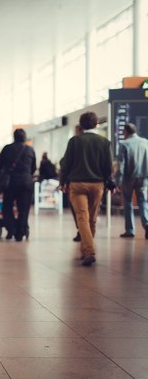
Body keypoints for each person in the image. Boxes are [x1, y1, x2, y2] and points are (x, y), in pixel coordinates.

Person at [59, 112, 113, 266]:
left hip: (77, 184)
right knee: (92, 218)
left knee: (82, 217)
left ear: (81, 125)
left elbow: (66, 164)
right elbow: (108, 166)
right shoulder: (104, 142)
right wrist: (108, 181)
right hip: (97, 185)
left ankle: (88, 250)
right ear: (96, 124)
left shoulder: (74, 141)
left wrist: (63, 182)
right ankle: (87, 250)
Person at [0, 129, 36, 242]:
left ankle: (11, 229)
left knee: (7, 207)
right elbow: (33, 168)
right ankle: (20, 233)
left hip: (11, 183)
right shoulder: (30, 149)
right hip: (26, 183)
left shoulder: (7, 148)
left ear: (14, 137)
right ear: (25, 137)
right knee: (23, 209)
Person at [117, 123, 148, 239]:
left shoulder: (124, 144)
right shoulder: (145, 142)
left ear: (126, 131)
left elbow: (121, 165)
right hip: (144, 176)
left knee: (128, 202)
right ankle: (147, 223)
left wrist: (118, 181)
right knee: (143, 201)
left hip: (128, 178)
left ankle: (130, 230)